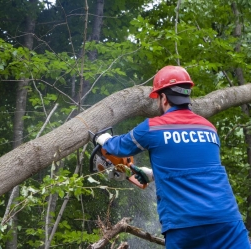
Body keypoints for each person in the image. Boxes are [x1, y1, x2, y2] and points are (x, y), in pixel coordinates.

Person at [96, 65, 251, 249]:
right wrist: (154, 175)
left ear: (163, 97)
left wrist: (102, 138)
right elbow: (199, 169)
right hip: (226, 220)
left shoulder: (153, 127)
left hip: (185, 224)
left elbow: (119, 147)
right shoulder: (208, 127)